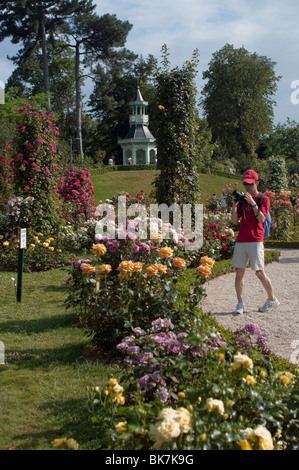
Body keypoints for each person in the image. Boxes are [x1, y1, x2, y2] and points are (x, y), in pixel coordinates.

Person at [231, 169, 279, 315]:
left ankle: (272, 299)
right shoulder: (242, 201)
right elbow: (234, 221)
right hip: (241, 239)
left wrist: (252, 203)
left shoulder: (263, 199)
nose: (247, 187)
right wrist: (234, 205)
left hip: (256, 239)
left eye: (250, 184)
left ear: (257, 183)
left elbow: (262, 219)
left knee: (259, 272)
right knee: (239, 272)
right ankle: (240, 303)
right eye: (245, 184)